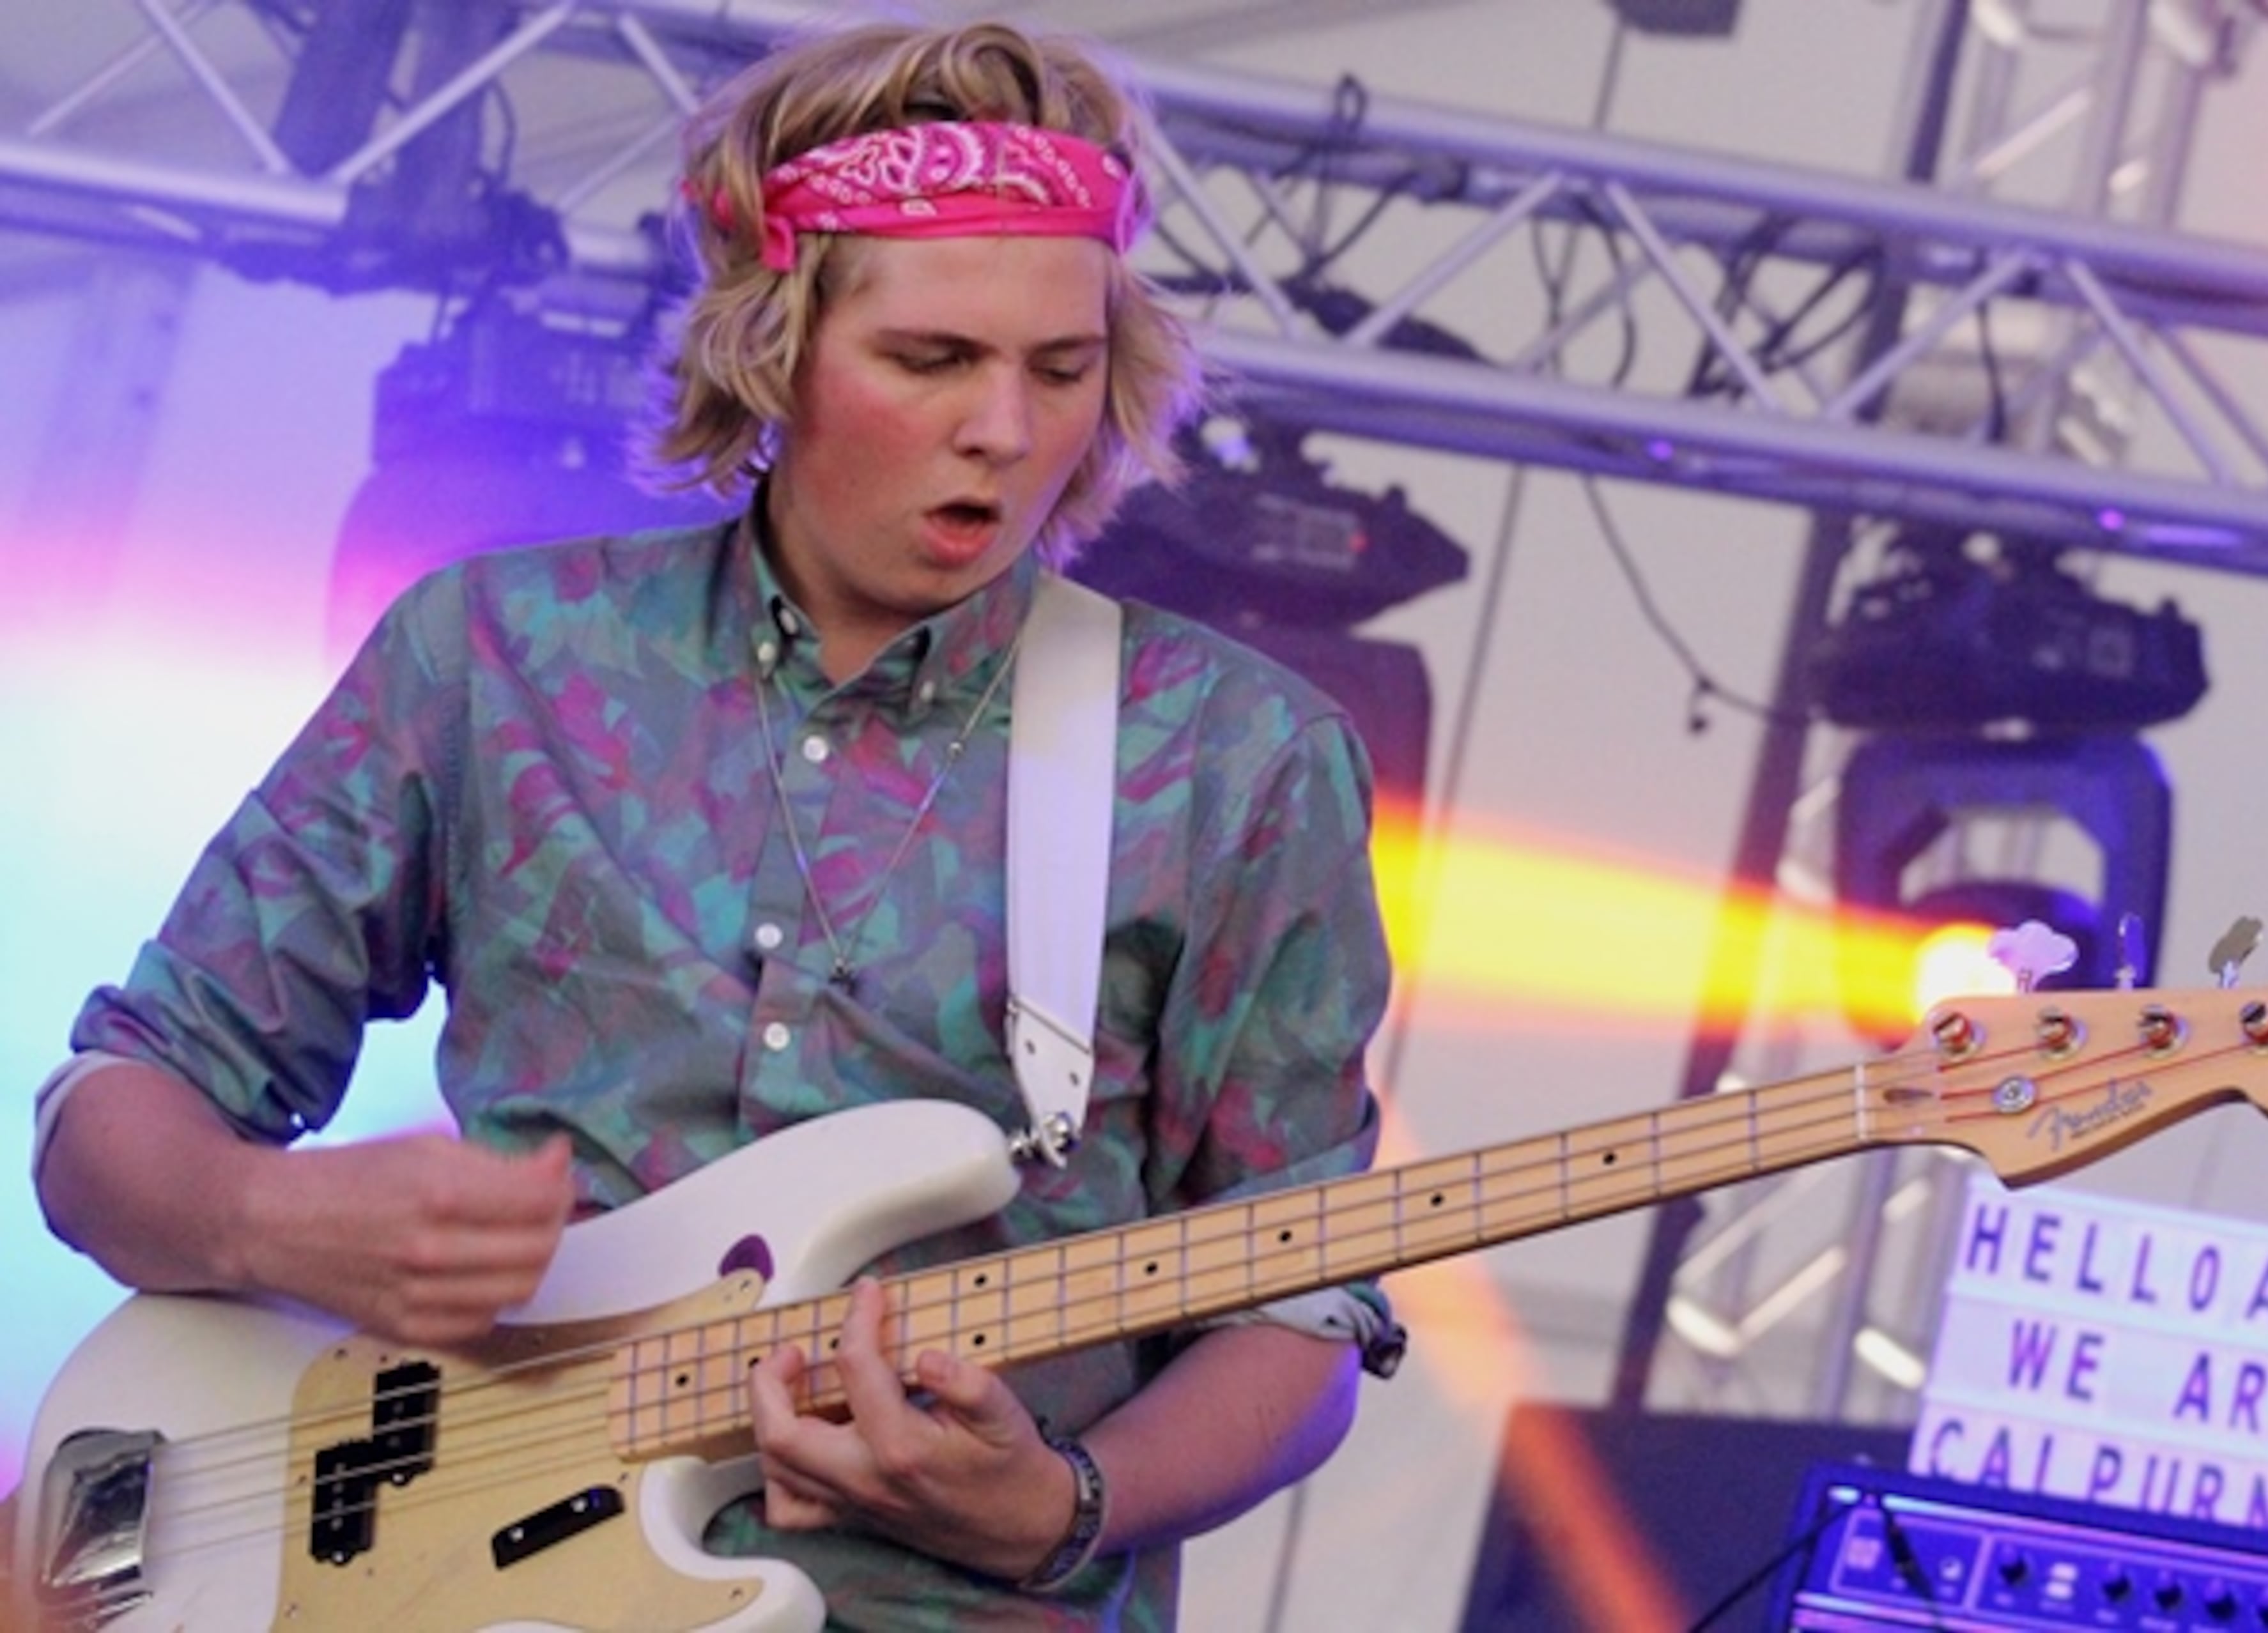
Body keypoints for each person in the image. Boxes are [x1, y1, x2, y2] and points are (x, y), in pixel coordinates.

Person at [31, 17, 1401, 1629]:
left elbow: (1299, 1305)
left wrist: (1062, 1504)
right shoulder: (499, 654)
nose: (1007, 430)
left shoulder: (1239, 761)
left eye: (1061, 368)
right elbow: (109, 1121)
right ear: (775, 345)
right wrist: (276, 1222)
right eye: (931, 360)